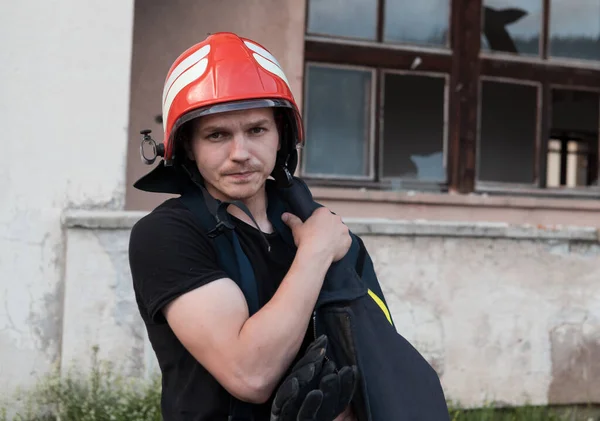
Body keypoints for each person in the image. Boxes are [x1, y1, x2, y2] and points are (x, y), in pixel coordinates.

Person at [128, 32, 358, 421]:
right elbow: (249, 374)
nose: (240, 154)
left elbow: (362, 351)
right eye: (217, 135)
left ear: (281, 134)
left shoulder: (310, 222)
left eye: (256, 130)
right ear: (186, 146)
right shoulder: (165, 235)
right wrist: (316, 252)